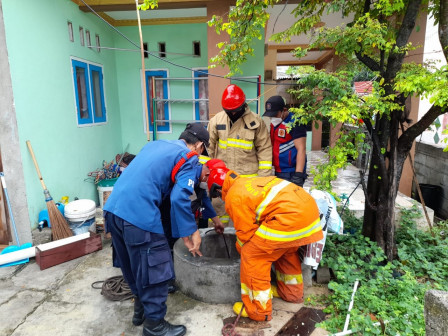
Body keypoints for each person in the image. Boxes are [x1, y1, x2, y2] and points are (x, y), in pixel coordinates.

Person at [103, 123, 210, 336]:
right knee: (156, 270)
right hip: (138, 214)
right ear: (198, 145)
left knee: (134, 266)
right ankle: (154, 325)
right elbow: (180, 198)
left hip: (113, 210)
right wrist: (193, 232)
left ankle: (140, 309)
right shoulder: (189, 157)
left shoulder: (156, 145)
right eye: (203, 150)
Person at [206, 161, 323, 322]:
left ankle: (258, 310)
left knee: (253, 256)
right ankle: (291, 293)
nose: (220, 197)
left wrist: (241, 249)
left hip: (289, 217)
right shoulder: (248, 182)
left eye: (218, 195)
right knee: (285, 250)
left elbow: (245, 235)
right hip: (308, 214)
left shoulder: (234, 195)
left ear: (219, 188)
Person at [207, 84, 272, 226]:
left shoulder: (256, 122)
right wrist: (208, 175)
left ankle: (244, 246)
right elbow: (208, 149)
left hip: (247, 182)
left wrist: (262, 181)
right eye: (230, 111)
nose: (233, 114)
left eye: (236, 111)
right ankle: (218, 242)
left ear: (243, 105)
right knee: (219, 213)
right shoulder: (217, 120)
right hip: (222, 180)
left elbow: (265, 151)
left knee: (247, 218)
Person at [263, 95, 308, 187]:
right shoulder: (275, 124)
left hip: (292, 173)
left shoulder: (295, 123)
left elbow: (301, 149)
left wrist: (298, 175)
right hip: (279, 170)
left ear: (284, 110)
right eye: (270, 115)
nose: (272, 118)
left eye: (274, 114)